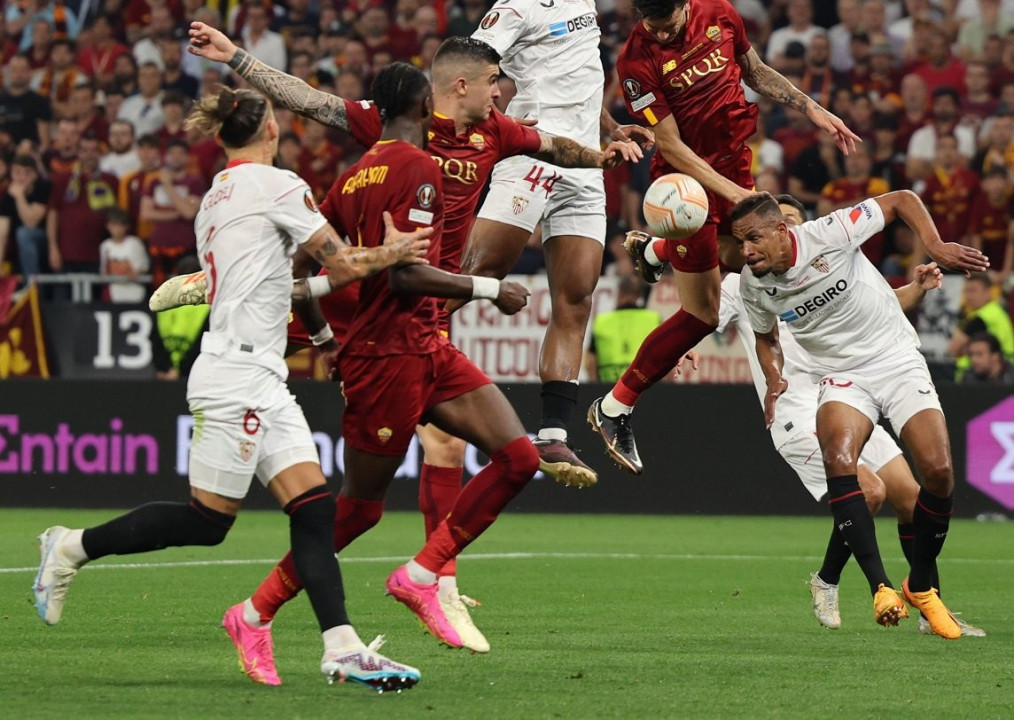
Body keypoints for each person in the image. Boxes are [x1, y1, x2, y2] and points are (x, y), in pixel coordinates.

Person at [177, 26, 641, 655]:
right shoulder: (396, 144)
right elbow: (307, 102)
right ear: (449, 90)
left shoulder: (493, 132)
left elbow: (553, 145)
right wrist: (235, 56)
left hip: (426, 321)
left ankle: (429, 578)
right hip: (384, 321)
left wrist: (602, 155)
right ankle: (264, 610)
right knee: (360, 506)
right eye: (493, 83)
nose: (501, 94)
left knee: (505, 455)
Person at [32, 85, 432, 691]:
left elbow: (282, 285)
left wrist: (324, 335)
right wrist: (393, 251)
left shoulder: (215, 196)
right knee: (208, 520)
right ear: (271, 127)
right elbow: (343, 264)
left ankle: (343, 647)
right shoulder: (278, 186)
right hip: (236, 376)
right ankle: (70, 547)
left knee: (314, 508)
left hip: (260, 374)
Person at [586, 0, 860, 475]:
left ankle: (655, 250)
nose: (662, 34)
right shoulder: (635, 61)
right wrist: (735, 195)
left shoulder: (720, 14)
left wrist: (811, 108)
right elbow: (669, 144)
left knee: (760, 262)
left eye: (669, 24)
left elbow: (754, 71)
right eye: (652, 26)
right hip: (687, 188)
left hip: (734, 165)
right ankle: (613, 407)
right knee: (702, 315)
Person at [721, 195, 983, 636]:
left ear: (786, 230)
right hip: (835, 381)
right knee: (854, 476)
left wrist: (934, 247)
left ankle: (922, 589)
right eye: (740, 241)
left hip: (895, 362)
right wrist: (774, 377)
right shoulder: (750, 284)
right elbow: (761, 336)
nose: (745, 251)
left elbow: (901, 200)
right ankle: (879, 587)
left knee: (932, 479)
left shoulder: (831, 233)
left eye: (753, 239)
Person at [452, 0, 654, 481]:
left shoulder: (583, 3)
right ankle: (391, 344)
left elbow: (576, 82)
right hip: (535, 151)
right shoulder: (517, 7)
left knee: (577, 295)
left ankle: (553, 435)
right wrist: (492, 125)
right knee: (480, 271)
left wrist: (609, 126)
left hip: (586, 165)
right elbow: (468, 63)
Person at [585, 275, 661, 382]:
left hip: (608, 386)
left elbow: (590, 360)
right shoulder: (654, 319)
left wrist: (594, 386)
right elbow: (665, 356)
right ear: (639, 295)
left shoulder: (601, 321)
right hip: (645, 385)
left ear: (619, 293)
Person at [948, 272, 1014, 380]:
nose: (969, 296)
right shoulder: (995, 311)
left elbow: (953, 348)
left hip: (993, 375)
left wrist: (965, 349)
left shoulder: (984, 316)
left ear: (988, 292)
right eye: (966, 291)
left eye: (973, 290)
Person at [0, 154, 51, 284]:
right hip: (23, 249)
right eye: (17, 173)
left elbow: (31, 223)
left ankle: (30, 284)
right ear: (11, 174)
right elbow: (2, 233)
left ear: (35, 174)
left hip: (46, 241)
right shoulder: (7, 197)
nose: (22, 178)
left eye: (27, 173)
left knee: (24, 233)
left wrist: (19, 197)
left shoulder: (43, 187)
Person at [98, 207, 149, 303]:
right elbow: (104, 271)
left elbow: (144, 266)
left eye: (119, 225)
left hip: (135, 293)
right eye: (113, 225)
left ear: (126, 226)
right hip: (114, 294)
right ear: (108, 226)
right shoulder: (105, 246)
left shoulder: (134, 243)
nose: (116, 229)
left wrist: (136, 272)